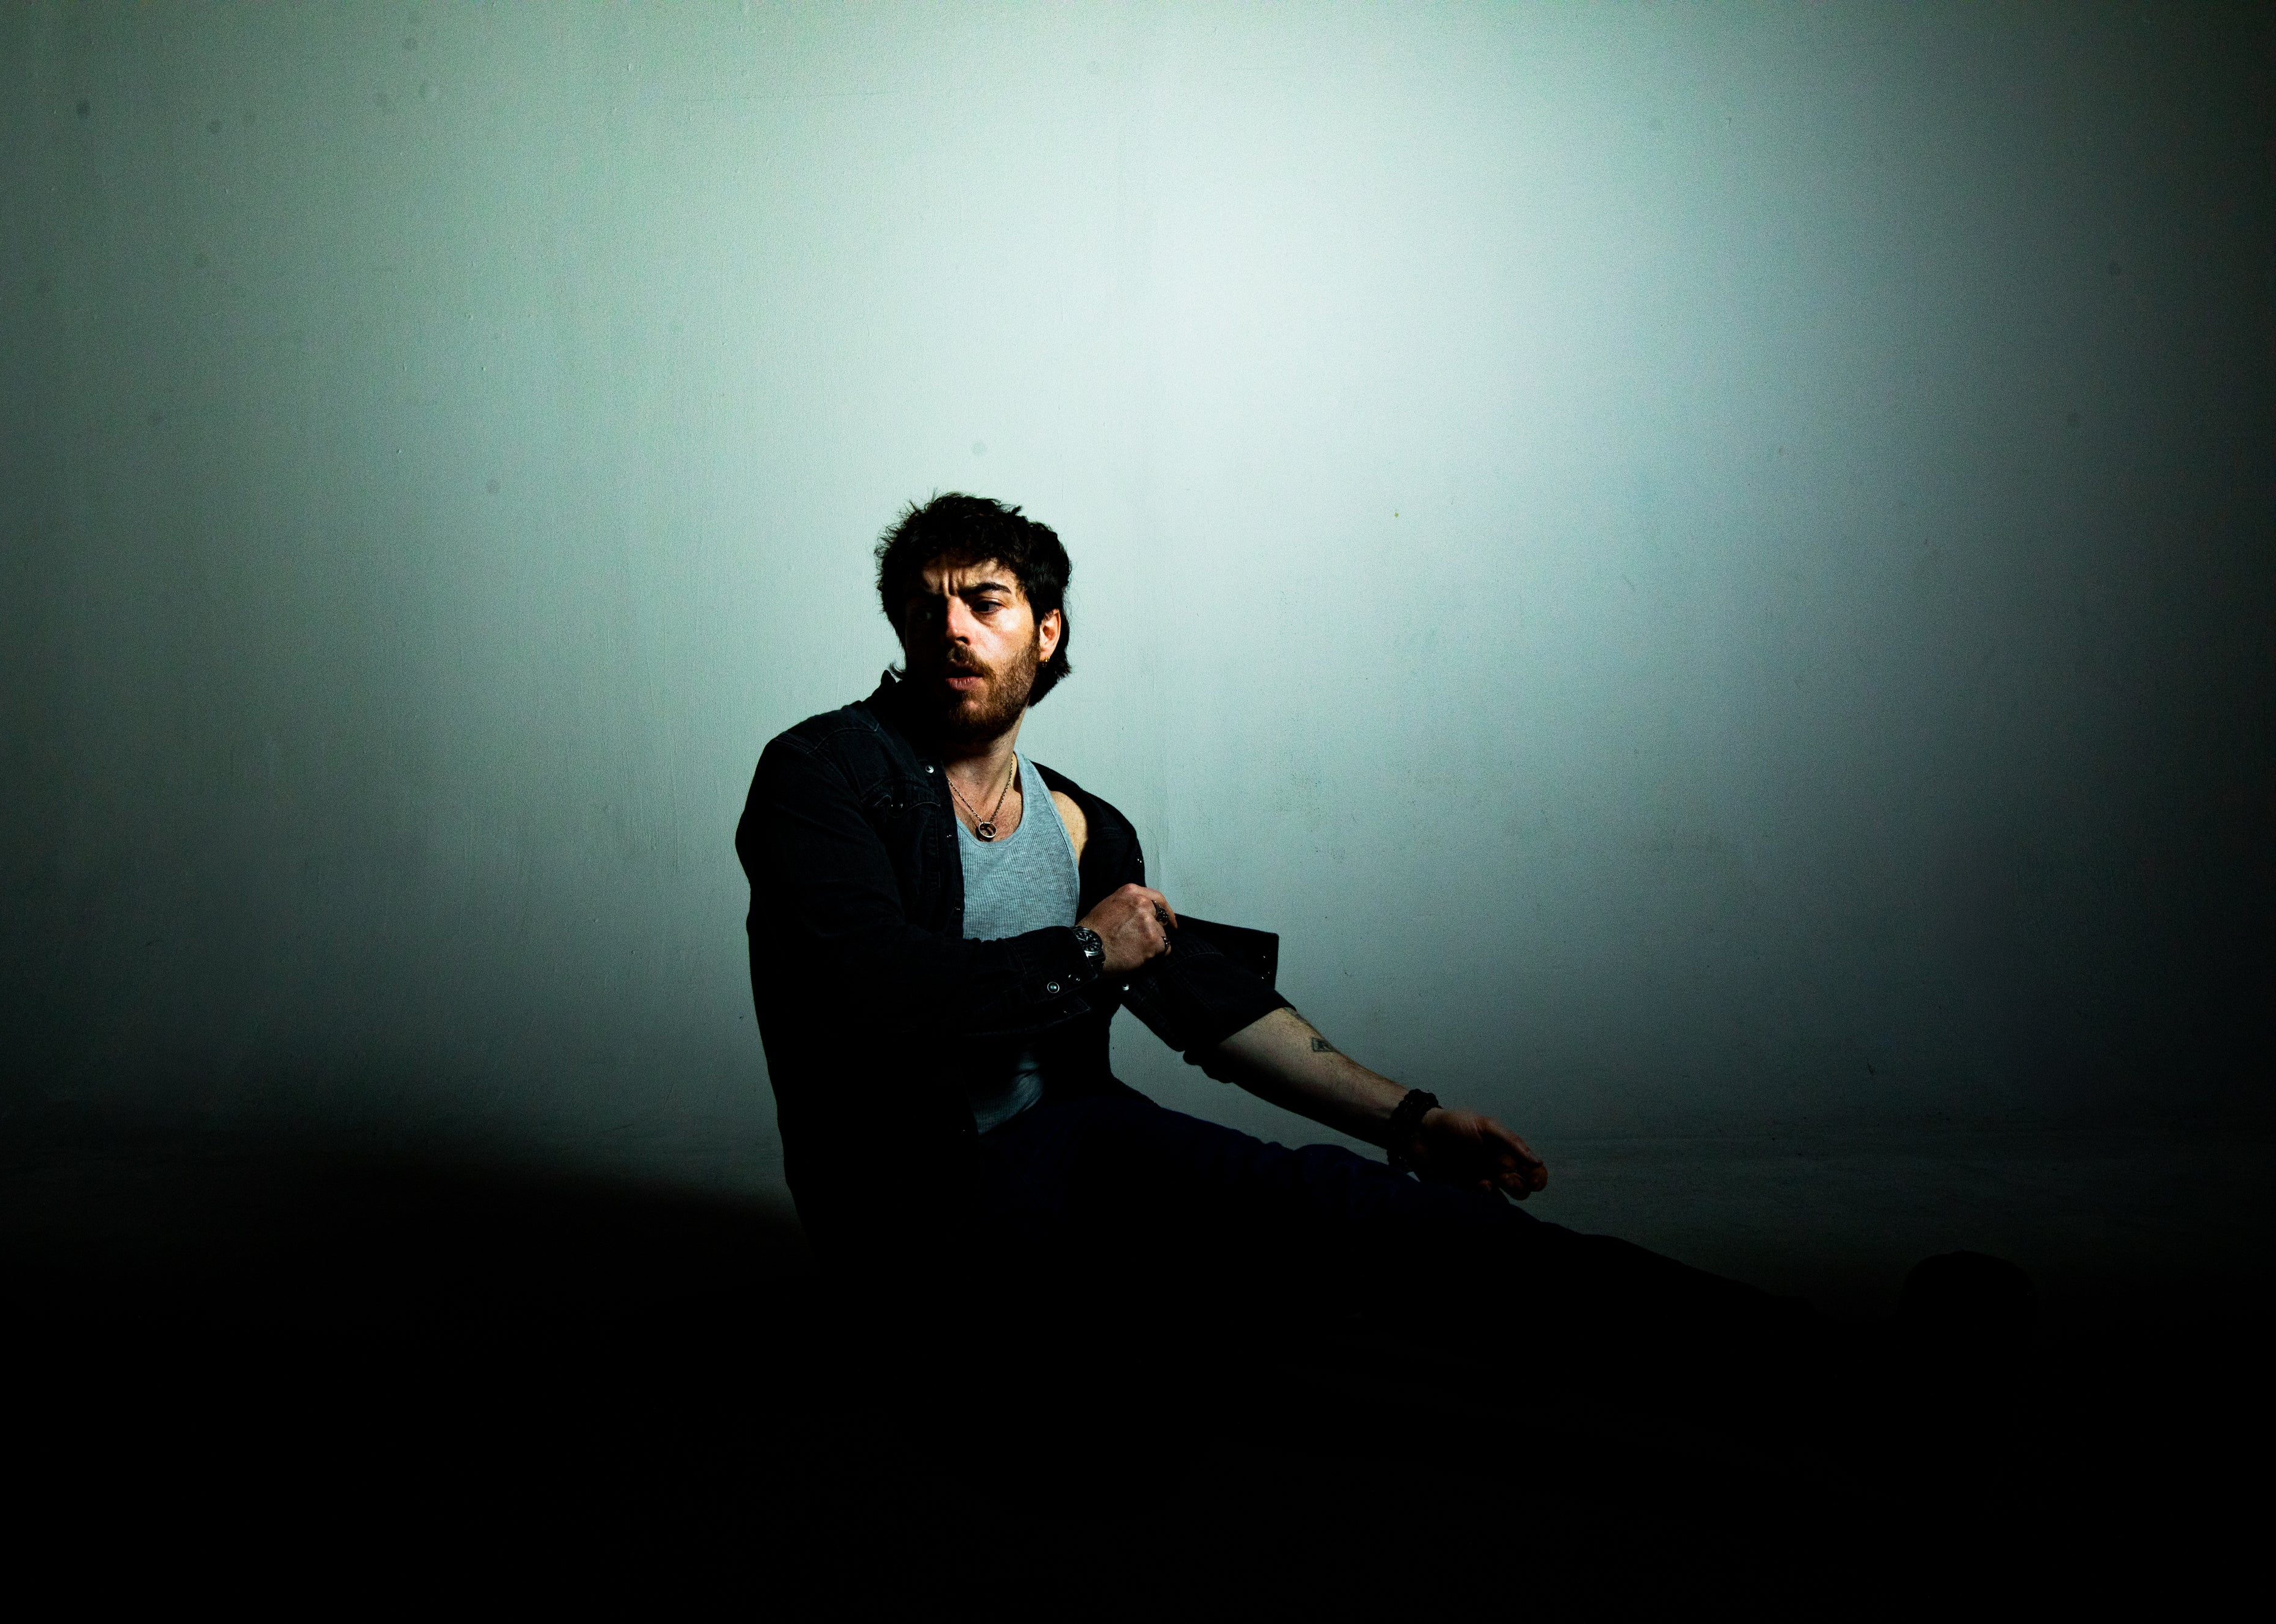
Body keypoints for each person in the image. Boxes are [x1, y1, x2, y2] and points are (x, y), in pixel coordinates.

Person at [734, 493, 2020, 1494]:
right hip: (919, 1202)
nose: (953, 629)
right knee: (1140, 1402)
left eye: (987, 601)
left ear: (1045, 631)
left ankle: (1864, 1382)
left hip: (1084, 1157)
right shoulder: (826, 775)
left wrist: (1411, 1118)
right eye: (926, 607)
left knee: (1389, 1219)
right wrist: (1084, 957)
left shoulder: (1083, 827)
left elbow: (1210, 1011)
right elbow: (871, 990)